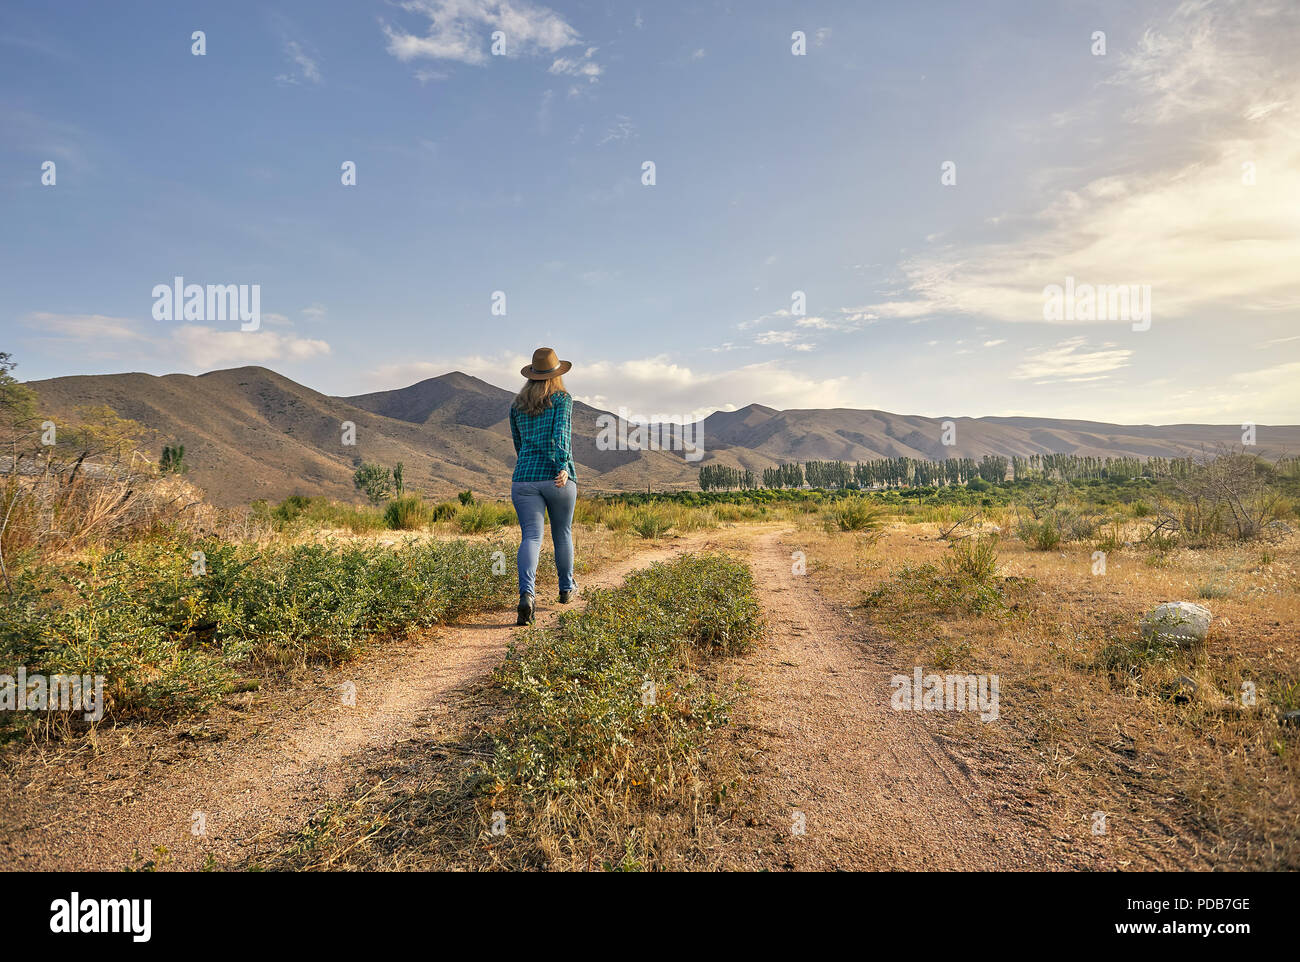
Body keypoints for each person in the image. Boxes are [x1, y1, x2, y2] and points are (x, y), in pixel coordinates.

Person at [508, 347, 577, 625]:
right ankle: (565, 589)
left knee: (531, 538)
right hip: (556, 476)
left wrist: (527, 465)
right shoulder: (562, 399)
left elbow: (518, 444)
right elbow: (562, 433)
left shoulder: (516, 406)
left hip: (523, 477)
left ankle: (527, 595)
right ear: (556, 374)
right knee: (562, 533)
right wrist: (562, 465)